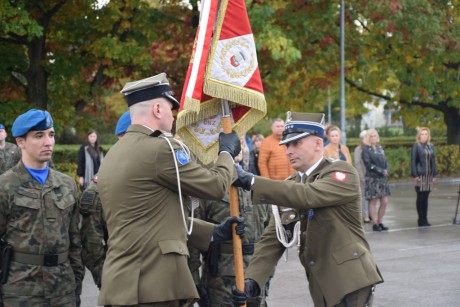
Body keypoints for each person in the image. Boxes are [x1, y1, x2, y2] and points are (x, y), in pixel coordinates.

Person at [96, 72, 244, 306]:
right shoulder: (161, 149)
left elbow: (149, 217)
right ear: (157, 109)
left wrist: (211, 233)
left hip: (123, 283)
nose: (173, 115)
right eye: (169, 108)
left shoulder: (114, 154)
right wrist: (226, 153)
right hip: (155, 285)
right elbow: (215, 186)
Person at [232, 111, 383, 307]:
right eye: (287, 145)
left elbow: (307, 195)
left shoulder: (341, 173)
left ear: (318, 144)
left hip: (350, 282)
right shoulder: (291, 185)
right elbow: (272, 239)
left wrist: (251, 180)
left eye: (296, 143)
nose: (288, 151)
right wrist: (252, 280)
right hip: (321, 286)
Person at [0, 109, 84, 306]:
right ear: (21, 142)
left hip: (63, 289)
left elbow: (75, 240)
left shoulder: (66, 184)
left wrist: (76, 285)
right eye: (39, 135)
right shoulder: (5, 186)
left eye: (51, 134)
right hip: (21, 291)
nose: (48, 142)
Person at [192, 151, 272, 307]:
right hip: (220, 279)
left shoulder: (258, 187)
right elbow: (193, 239)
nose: (236, 152)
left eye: (239, 147)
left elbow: (271, 239)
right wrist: (195, 282)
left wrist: (267, 274)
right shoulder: (208, 190)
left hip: (254, 276)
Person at [79, 110, 131, 292]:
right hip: (124, 282)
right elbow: (91, 244)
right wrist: (109, 283)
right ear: (123, 137)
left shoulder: (159, 176)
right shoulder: (101, 187)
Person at [362, 129, 390, 232]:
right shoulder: (366, 150)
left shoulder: (380, 148)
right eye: (371, 136)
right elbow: (368, 165)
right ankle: (374, 223)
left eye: (375, 135)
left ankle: (380, 221)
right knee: (373, 201)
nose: (373, 137)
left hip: (382, 178)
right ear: (368, 138)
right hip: (373, 178)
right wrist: (381, 171)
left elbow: (385, 161)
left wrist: (387, 169)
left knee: (385, 201)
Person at [411, 127, 437, 227]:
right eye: (422, 134)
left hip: (429, 175)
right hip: (420, 175)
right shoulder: (416, 146)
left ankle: (425, 219)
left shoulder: (430, 146)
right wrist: (415, 175)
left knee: (426, 198)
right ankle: (420, 219)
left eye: (426, 134)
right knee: (420, 197)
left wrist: (434, 174)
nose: (424, 136)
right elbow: (413, 161)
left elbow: (433, 161)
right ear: (419, 135)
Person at [354, 130, 370, 223]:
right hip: (362, 177)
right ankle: (365, 215)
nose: (366, 139)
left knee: (371, 197)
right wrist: (361, 176)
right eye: (364, 137)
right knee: (363, 197)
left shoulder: (370, 148)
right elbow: (357, 164)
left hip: (371, 176)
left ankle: (370, 214)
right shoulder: (358, 149)